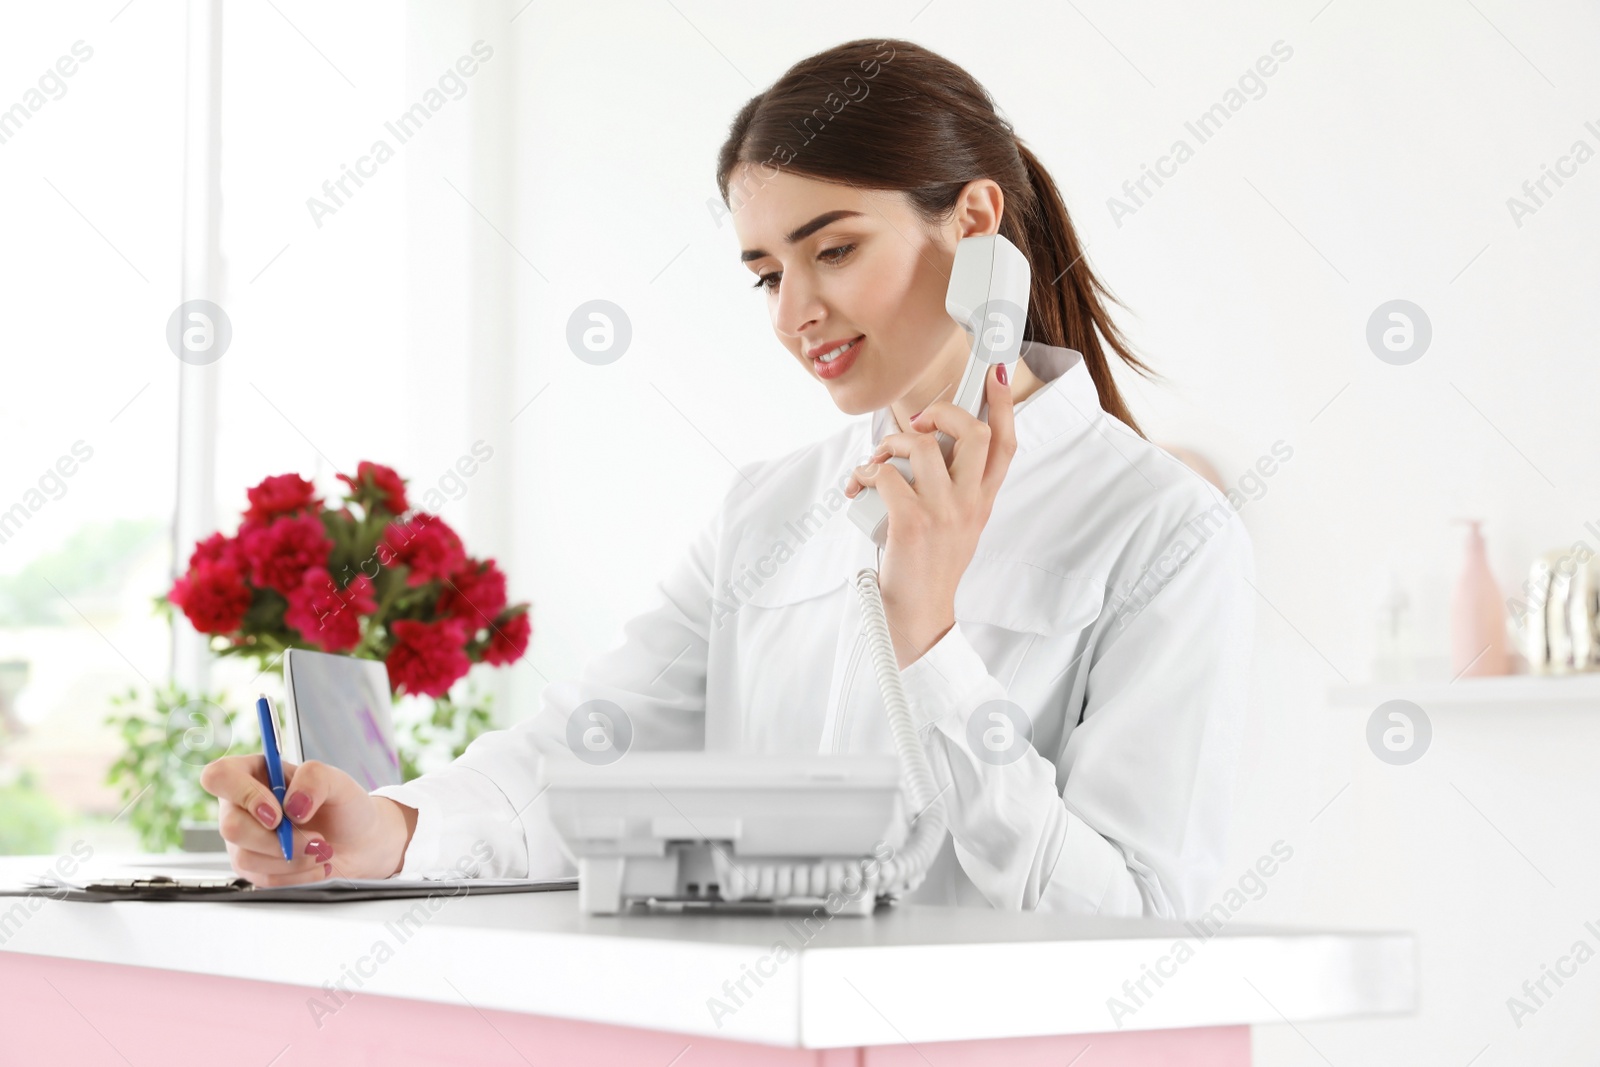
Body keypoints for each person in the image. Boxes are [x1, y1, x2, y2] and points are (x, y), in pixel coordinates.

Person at [200, 37, 1254, 918]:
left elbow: (1140, 918)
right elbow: (590, 747)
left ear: (975, 225)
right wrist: (391, 826)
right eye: (764, 273)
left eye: (832, 250)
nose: (793, 313)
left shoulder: (1163, 532)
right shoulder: (770, 509)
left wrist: (928, 637)